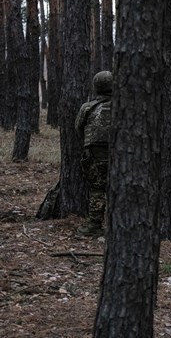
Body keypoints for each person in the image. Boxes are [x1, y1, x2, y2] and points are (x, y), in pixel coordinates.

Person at [74, 71, 113, 238]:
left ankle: (94, 224)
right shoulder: (124, 106)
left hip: (94, 152)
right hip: (118, 153)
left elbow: (78, 127)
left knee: (97, 189)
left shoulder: (88, 107)